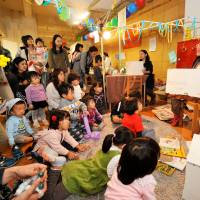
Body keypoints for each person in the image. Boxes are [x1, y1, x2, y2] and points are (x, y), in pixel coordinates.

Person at [42, 126, 134, 200]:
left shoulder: (109, 143)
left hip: (80, 168)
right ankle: (54, 170)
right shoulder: (118, 157)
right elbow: (112, 176)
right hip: (86, 178)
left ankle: (52, 172)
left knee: (59, 179)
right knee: (51, 197)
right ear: (124, 145)